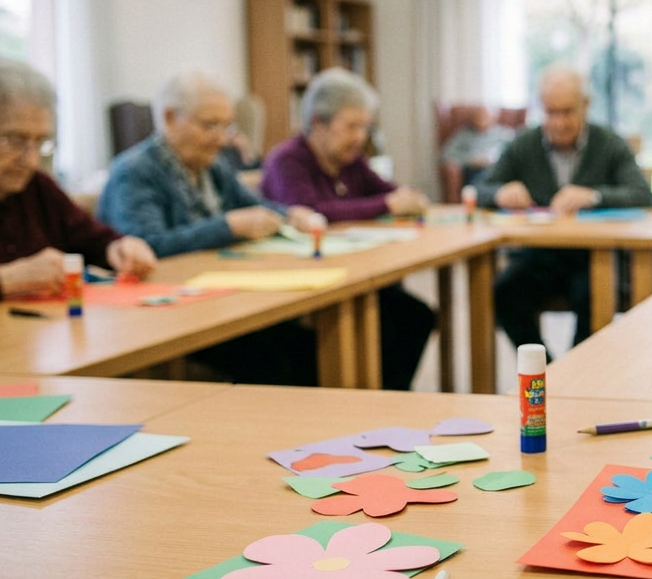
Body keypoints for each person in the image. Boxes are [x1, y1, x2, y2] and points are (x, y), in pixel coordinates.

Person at [99, 69, 319, 386]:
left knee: (301, 344)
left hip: (215, 301)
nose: (221, 138)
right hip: (165, 317)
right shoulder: (134, 172)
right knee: (272, 359)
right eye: (209, 125)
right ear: (169, 118)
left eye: (226, 126)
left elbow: (255, 207)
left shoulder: (212, 165)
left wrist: (289, 214)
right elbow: (149, 244)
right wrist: (228, 226)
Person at [258, 68, 436, 391]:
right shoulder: (286, 161)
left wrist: (406, 198)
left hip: (351, 275)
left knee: (416, 317)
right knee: (381, 324)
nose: (360, 138)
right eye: (351, 126)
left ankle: (388, 400)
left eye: (364, 127)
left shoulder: (350, 159)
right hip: (301, 288)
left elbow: (387, 191)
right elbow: (314, 213)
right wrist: (390, 205)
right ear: (317, 122)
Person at [475, 66, 652, 352]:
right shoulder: (524, 144)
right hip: (539, 255)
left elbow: (643, 195)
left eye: (567, 112)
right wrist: (500, 193)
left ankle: (578, 376)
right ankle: (547, 372)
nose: (558, 123)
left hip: (594, 257)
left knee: (594, 294)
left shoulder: (609, 144)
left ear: (585, 106)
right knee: (506, 290)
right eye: (550, 113)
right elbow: (480, 189)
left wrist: (593, 196)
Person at [0, 59, 156, 298]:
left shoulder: (38, 187)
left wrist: (120, 248)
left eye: (41, 143)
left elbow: (92, 239)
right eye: (14, 140)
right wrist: (5, 279)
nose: (31, 160)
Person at [440, 105, 515, 187]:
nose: (481, 119)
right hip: (474, 173)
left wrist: (495, 160)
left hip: (498, 171)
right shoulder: (463, 134)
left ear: (494, 117)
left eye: (485, 116)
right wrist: (470, 160)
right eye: (478, 116)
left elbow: (515, 153)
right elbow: (446, 154)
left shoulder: (506, 134)